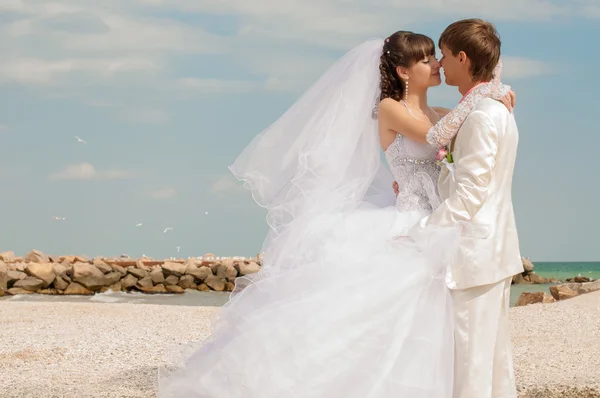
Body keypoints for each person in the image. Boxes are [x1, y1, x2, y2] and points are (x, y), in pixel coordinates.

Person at [158, 29, 514, 398]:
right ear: (404, 72)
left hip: (438, 222)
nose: (436, 63)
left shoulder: (439, 111)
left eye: (435, 57)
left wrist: (488, 93)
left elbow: (458, 135)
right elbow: (440, 137)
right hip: (412, 220)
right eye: (426, 59)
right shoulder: (392, 108)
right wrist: (488, 92)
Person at [410, 19, 523, 398]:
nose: (440, 64)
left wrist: (422, 228)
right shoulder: (495, 108)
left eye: (444, 55)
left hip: (475, 258)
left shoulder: (479, 117)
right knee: (492, 366)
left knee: (470, 368)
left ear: (463, 58)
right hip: (494, 252)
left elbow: (470, 195)